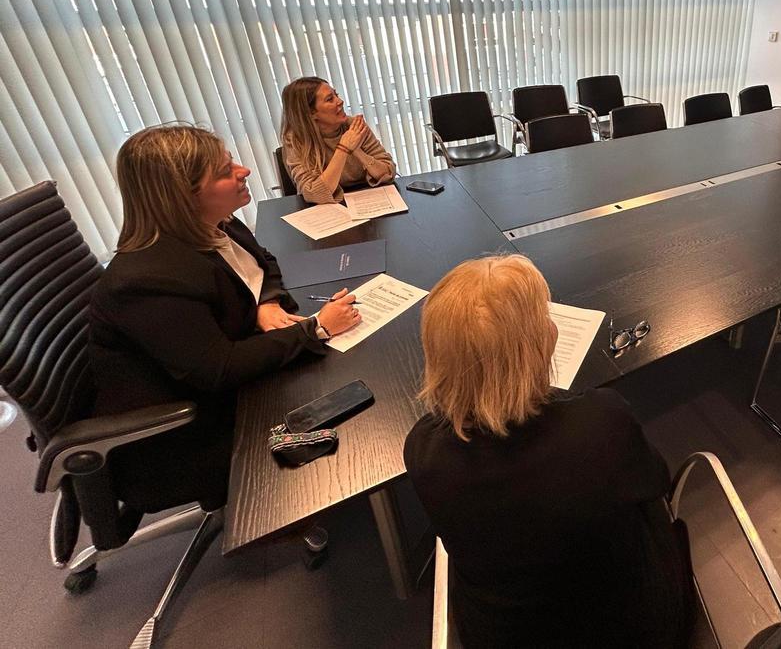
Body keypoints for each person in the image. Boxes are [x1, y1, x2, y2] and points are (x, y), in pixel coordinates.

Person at [404, 256, 695, 649]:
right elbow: (656, 483)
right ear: (537, 347)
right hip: (631, 632)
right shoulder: (602, 422)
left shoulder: (423, 448)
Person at [87, 124, 360, 511]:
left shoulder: (217, 225)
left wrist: (266, 302)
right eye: (223, 170)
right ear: (184, 195)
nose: (243, 170)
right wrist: (315, 328)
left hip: (232, 387)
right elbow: (219, 368)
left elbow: (264, 263)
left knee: (350, 380)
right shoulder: (148, 280)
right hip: (186, 435)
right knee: (360, 415)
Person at [280, 77, 397, 204]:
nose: (340, 101)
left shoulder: (354, 126)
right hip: (329, 210)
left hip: (368, 200)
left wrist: (357, 151)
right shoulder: (296, 140)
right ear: (310, 113)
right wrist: (343, 149)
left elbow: (388, 173)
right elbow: (314, 194)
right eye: (330, 99)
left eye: (336, 95)